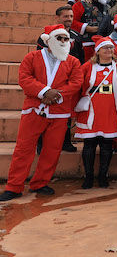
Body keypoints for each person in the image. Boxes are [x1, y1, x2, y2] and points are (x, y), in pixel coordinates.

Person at [1, 25, 84, 201]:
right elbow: (24, 78)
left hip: (59, 112)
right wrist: (45, 91)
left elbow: (76, 82)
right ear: (48, 40)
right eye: (59, 38)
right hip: (34, 109)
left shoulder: (73, 61)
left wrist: (56, 95)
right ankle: (14, 187)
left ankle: (40, 183)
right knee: (24, 149)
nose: (63, 42)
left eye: (65, 39)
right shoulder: (32, 57)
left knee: (52, 150)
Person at [74, 37, 117, 188]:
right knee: (89, 145)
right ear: (97, 51)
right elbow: (77, 88)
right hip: (90, 112)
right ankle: (89, 176)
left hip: (111, 112)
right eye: (105, 48)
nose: (109, 50)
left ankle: (103, 176)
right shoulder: (87, 67)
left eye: (111, 48)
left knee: (106, 146)